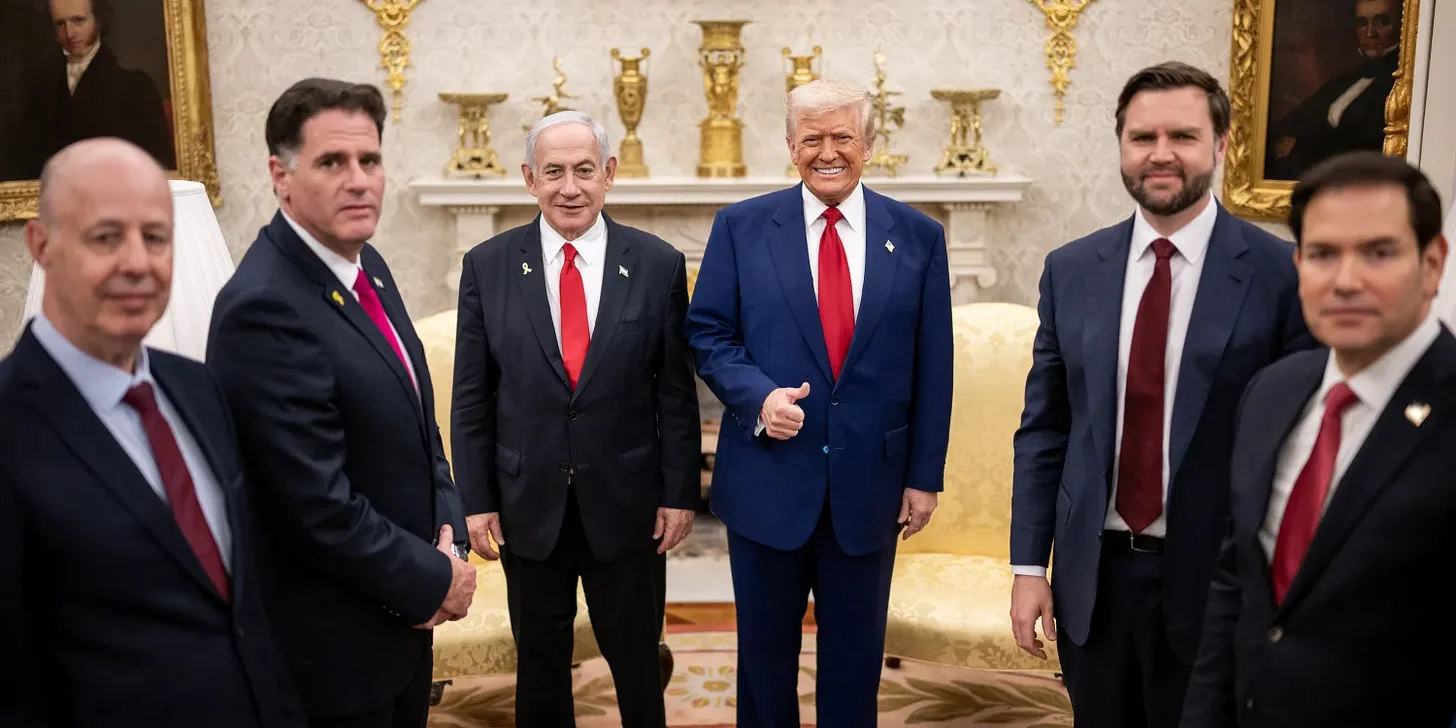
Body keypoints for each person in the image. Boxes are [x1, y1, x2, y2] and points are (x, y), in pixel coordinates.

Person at [1010, 61, 1314, 728]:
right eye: (1143, 137)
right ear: (1121, 145)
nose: (1162, 154)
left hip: (1219, 582)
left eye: (1183, 135)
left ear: (1222, 145)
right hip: (1096, 583)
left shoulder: (1280, 275)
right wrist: (1030, 565)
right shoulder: (1070, 271)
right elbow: (1046, 429)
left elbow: (1302, 446)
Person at [0, 138, 301, 727]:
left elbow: (245, 608)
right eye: (106, 237)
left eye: (156, 237)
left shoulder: (197, 388)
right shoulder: (11, 429)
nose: (137, 262)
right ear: (42, 246)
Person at [206, 78, 474, 728]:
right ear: (281, 174)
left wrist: (451, 541)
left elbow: (419, 426)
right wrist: (431, 579)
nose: (359, 181)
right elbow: (312, 505)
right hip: (331, 650)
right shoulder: (263, 307)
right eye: (332, 162)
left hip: (400, 625)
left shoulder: (364, 262)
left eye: (370, 160)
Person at [686, 78, 954, 727]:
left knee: (854, 670)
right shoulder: (741, 228)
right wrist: (758, 398)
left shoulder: (917, 237)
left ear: (867, 144)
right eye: (812, 139)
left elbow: (934, 365)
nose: (827, 151)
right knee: (764, 671)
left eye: (841, 136)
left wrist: (924, 477)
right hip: (766, 487)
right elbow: (707, 333)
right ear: (790, 145)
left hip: (871, 489)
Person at [1182, 152, 1456, 727]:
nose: (1347, 280)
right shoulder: (1271, 392)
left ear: (1433, 264)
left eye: (1379, 253)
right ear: (1299, 264)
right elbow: (1237, 581)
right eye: (1324, 254)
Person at [451, 110, 699, 728]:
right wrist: (475, 500)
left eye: (585, 171)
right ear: (529, 179)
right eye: (554, 172)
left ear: (609, 174)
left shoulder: (658, 264)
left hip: (628, 502)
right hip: (527, 502)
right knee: (539, 664)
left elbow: (675, 394)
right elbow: (472, 395)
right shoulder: (488, 265)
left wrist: (679, 494)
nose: (570, 187)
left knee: (638, 661)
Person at [13, 0, 176, 177]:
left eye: (78, 20)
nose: (70, 33)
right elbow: (24, 163)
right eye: (60, 23)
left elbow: (157, 166)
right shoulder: (37, 86)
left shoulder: (135, 87)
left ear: (98, 20)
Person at [1266, 0, 1400, 180]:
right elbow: (1290, 124)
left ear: (1400, 26)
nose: (1370, 33)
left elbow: (1357, 149)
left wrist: (1300, 147)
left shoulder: (1398, 87)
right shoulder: (1346, 80)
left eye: (1381, 21)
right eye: (1362, 23)